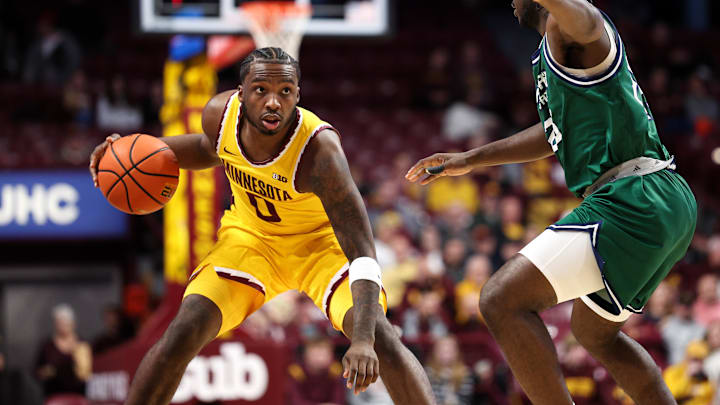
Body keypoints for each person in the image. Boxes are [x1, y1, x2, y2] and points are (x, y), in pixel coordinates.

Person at [89, 47, 435, 405]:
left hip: (322, 249)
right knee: (183, 331)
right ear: (241, 93)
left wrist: (362, 340)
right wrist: (133, 152)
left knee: (381, 337)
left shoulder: (321, 152)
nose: (273, 102)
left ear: (298, 95)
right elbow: (208, 149)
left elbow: (362, 251)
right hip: (251, 241)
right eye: (260, 90)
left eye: (285, 91)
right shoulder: (219, 116)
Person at [406, 1, 697, 404]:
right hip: (656, 196)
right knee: (596, 335)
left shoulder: (577, 25)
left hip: (635, 197)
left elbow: (580, 16)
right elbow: (554, 132)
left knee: (499, 300)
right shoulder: (556, 54)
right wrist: (470, 159)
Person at [34, 304, 92, 399]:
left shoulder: (82, 345)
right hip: (54, 395)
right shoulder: (47, 346)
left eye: (66, 322)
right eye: (60, 322)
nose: (63, 325)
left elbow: (87, 373)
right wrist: (49, 371)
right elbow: (37, 371)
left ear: (73, 323)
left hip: (77, 395)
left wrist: (81, 368)